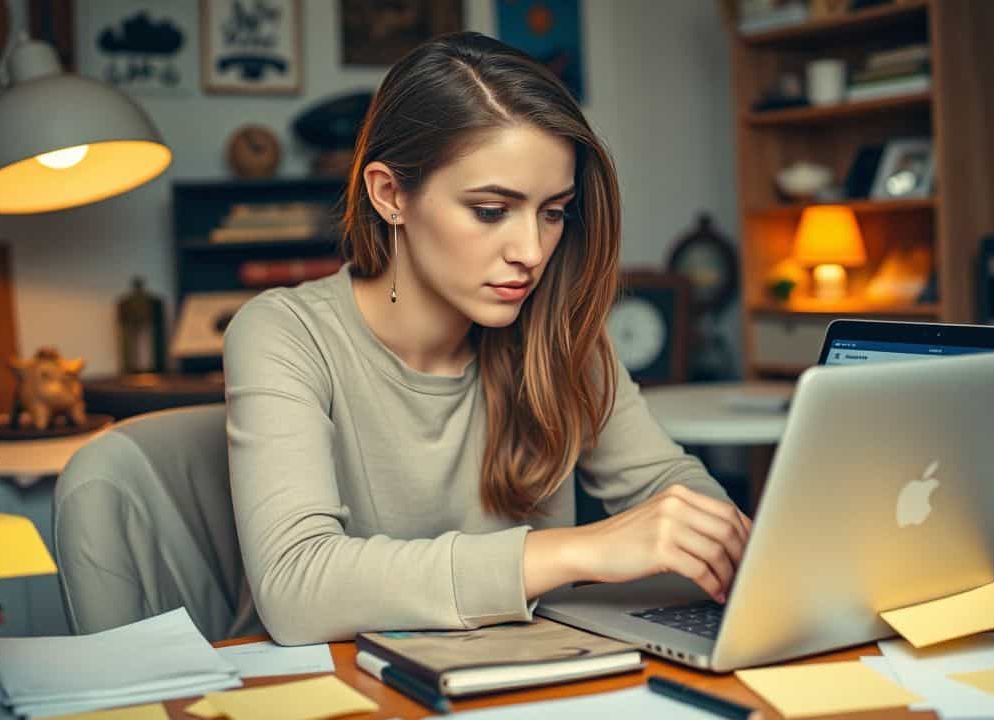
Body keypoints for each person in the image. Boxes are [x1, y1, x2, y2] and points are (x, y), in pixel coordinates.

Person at [223, 31, 750, 646]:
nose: (530, 253)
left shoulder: (559, 329)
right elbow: (296, 588)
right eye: (491, 210)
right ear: (390, 194)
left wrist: (721, 537)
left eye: (553, 212)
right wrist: (575, 552)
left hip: (530, 679)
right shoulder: (283, 334)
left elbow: (673, 490)